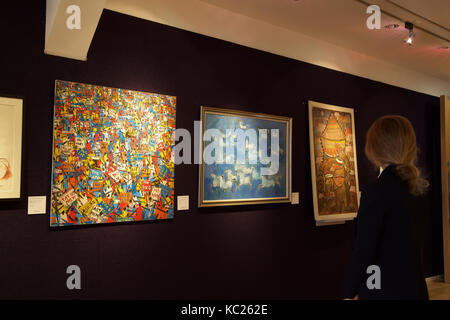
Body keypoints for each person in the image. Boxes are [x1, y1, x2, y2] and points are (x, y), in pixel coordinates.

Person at [344, 115, 429, 300]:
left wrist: (350, 291)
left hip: (381, 289)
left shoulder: (376, 192)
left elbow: (364, 251)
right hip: (414, 289)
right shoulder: (418, 190)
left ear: (375, 148)